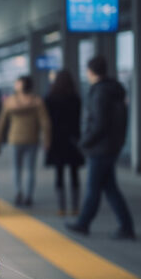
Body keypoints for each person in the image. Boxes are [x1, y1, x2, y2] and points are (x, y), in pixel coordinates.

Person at [67, 56, 135, 240]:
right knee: (110, 188)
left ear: (91, 71)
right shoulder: (114, 89)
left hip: (100, 148)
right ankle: (126, 226)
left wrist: (84, 143)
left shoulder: (100, 92)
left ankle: (83, 223)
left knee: (93, 188)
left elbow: (99, 123)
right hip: (111, 146)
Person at [0, 75, 51, 207]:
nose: (15, 85)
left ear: (21, 85)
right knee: (30, 169)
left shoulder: (10, 101)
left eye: (17, 83)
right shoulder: (37, 101)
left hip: (14, 139)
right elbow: (45, 122)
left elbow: (2, 121)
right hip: (32, 139)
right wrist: (47, 138)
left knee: (16, 168)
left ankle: (18, 192)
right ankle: (28, 196)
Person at [44, 70, 84, 215]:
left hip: (57, 140)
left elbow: (47, 121)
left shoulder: (50, 98)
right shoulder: (75, 98)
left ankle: (61, 207)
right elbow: (78, 120)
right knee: (74, 173)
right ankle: (75, 207)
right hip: (72, 140)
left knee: (59, 173)